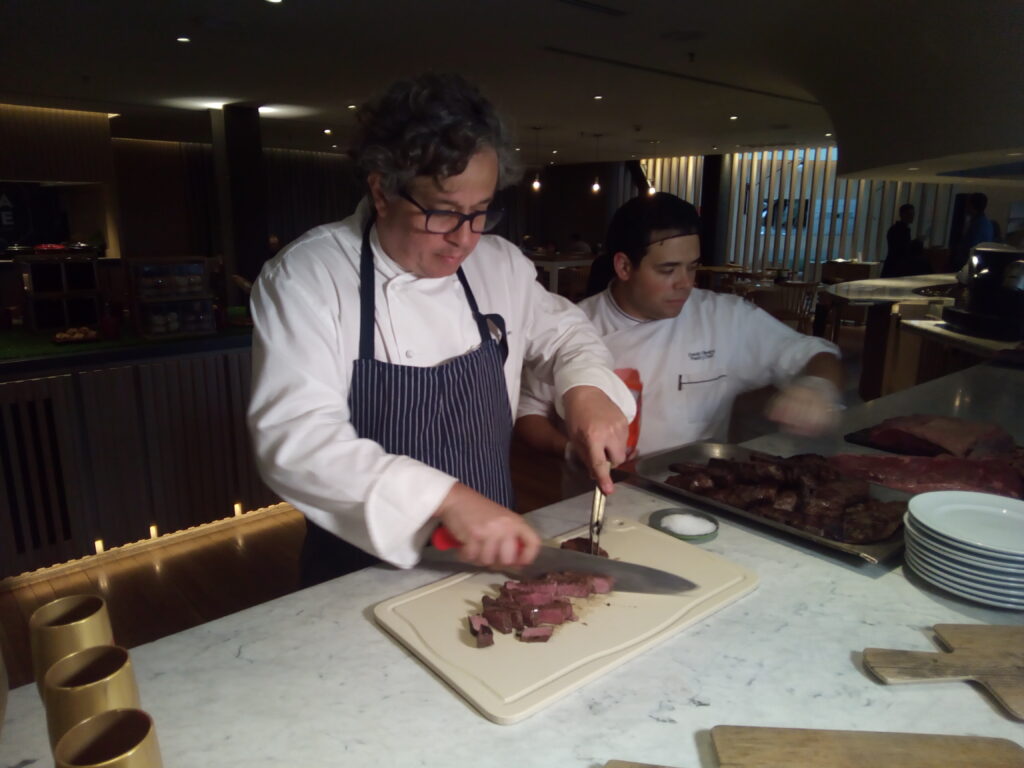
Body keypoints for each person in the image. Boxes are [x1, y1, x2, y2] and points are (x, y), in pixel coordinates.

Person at [247, 74, 635, 586]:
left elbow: (565, 334)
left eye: (480, 213)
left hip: (491, 555)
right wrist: (444, 499)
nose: (464, 240)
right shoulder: (309, 277)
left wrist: (586, 389)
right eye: (443, 213)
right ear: (382, 191)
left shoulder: (499, 264)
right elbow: (296, 440)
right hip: (360, 569)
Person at [515, 193, 843, 460]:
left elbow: (815, 354)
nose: (685, 283)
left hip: (696, 490)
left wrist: (817, 386)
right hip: (598, 495)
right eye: (668, 270)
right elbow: (528, 412)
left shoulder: (724, 318)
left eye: (692, 267)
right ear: (624, 266)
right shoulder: (574, 327)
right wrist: (570, 450)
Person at [881, 204, 923, 278]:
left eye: (913, 214)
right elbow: (901, 248)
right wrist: (916, 242)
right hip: (897, 267)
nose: (912, 216)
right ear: (903, 215)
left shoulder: (895, 229)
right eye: (910, 214)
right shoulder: (901, 230)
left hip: (893, 266)